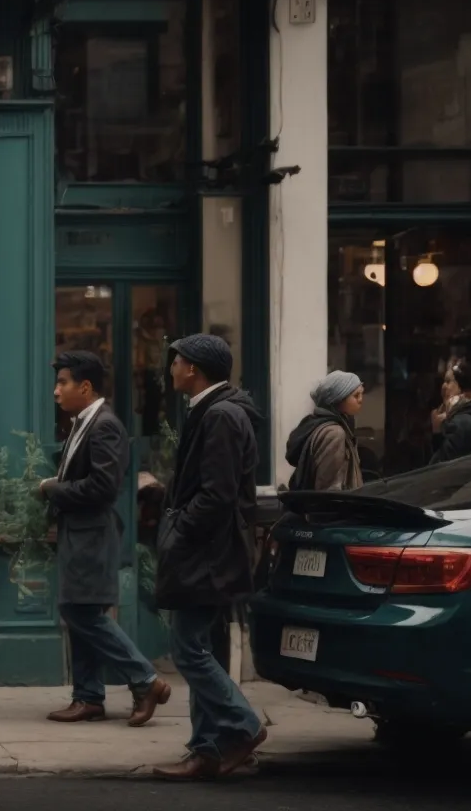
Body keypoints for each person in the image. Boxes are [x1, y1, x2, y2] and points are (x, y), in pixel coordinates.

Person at [152, 333, 266, 780]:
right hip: (213, 551)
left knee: (187, 649)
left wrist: (178, 533)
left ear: (193, 369)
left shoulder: (219, 415)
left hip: (207, 553)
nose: (171, 368)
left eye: (175, 361)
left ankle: (241, 726)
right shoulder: (214, 410)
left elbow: (216, 495)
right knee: (204, 648)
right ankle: (207, 748)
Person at [38, 351, 169, 727]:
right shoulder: (84, 422)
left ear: (86, 386)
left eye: (62, 383)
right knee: (80, 610)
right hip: (80, 532)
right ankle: (89, 697)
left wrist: (51, 489)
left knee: (81, 612)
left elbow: (103, 486)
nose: (56, 391)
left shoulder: (104, 425)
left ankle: (145, 680)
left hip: (91, 533)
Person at [286, 371, 364, 493]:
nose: (360, 400)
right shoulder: (333, 433)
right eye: (356, 395)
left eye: (361, 394)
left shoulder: (337, 426)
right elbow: (328, 490)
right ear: (338, 399)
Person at [430, 362, 471, 465]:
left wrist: (437, 432)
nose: (443, 386)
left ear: (462, 385)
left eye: (448, 381)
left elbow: (438, 467)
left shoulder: (459, 424)